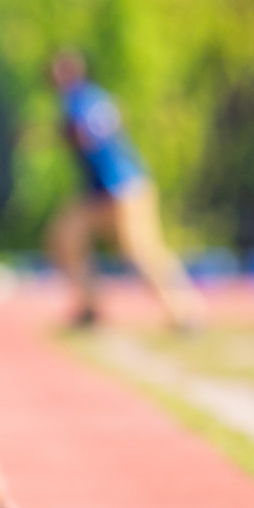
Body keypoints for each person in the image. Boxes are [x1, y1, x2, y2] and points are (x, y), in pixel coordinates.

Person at [45, 49, 206, 331]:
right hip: (102, 191)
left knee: (141, 250)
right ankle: (89, 305)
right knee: (65, 236)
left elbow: (87, 134)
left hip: (123, 188)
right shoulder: (91, 97)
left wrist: (55, 135)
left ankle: (184, 311)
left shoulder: (80, 100)